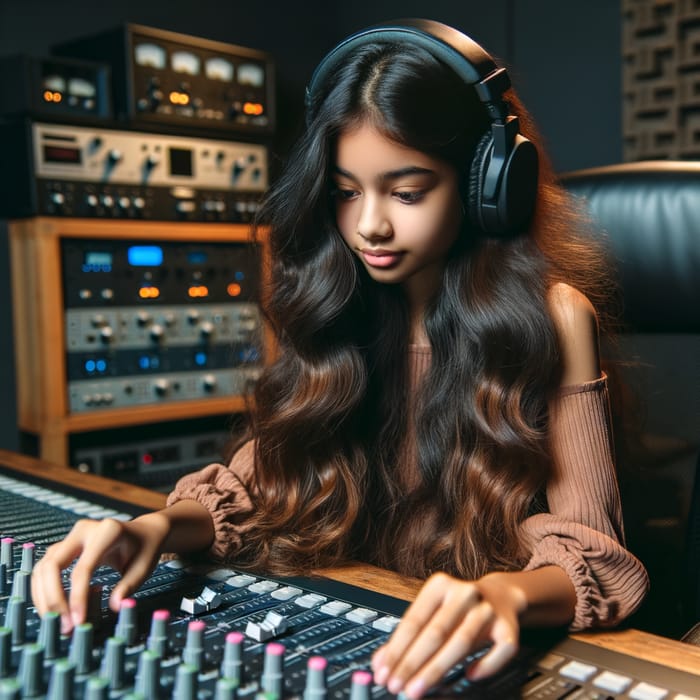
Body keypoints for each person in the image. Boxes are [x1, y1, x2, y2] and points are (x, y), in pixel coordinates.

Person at [32, 19, 649, 699]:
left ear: (488, 185)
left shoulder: (556, 316)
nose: (369, 226)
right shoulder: (339, 301)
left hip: (473, 659)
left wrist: (507, 595)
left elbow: (594, 553)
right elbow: (252, 491)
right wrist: (151, 529)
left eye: (407, 192)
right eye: (346, 191)